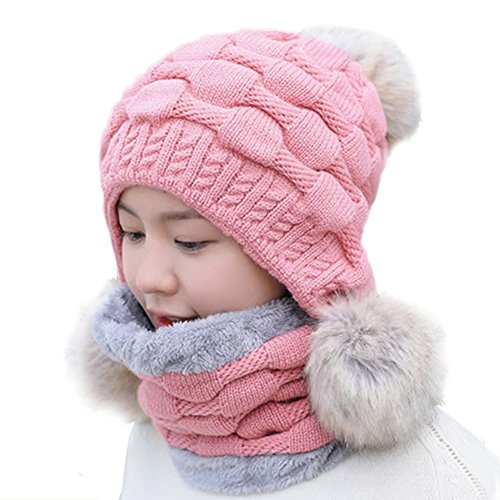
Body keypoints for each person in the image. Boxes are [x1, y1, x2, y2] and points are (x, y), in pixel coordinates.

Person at [68, 26, 500, 499]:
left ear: (300, 256)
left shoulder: (437, 478)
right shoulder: (156, 433)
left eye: (190, 241)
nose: (148, 278)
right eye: (132, 233)